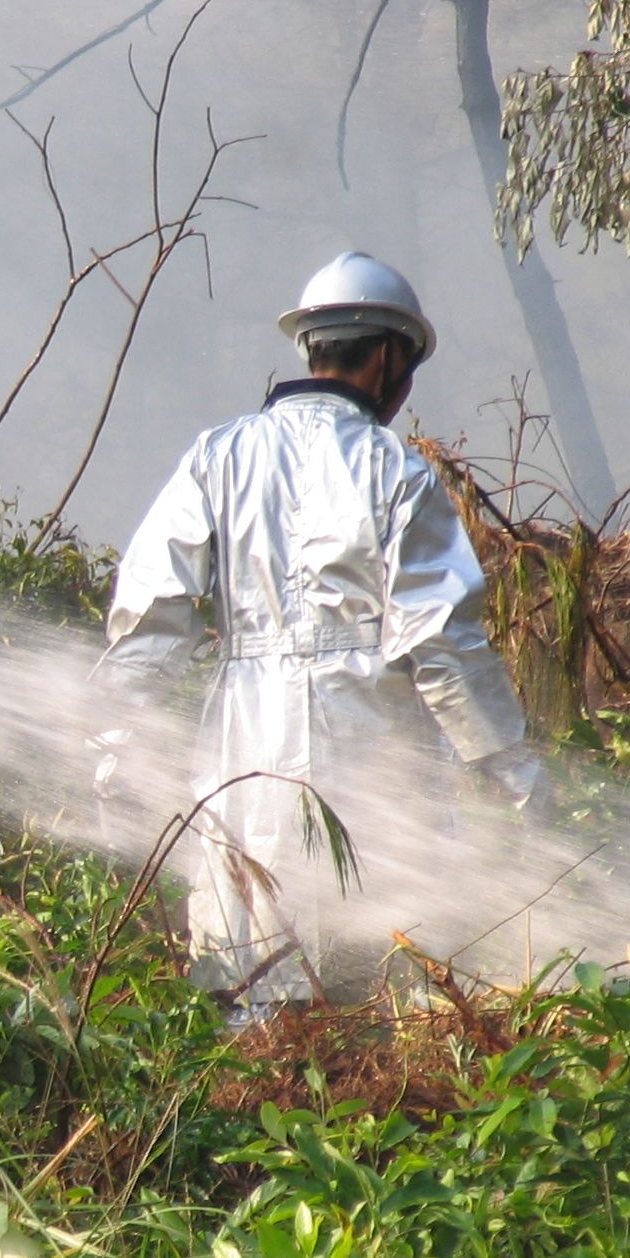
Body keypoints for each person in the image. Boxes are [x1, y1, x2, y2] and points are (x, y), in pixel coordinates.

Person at [98, 251, 542, 1018]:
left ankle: (252, 1073)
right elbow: (441, 642)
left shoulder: (218, 456)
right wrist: (510, 764)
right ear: (387, 358)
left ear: (311, 347)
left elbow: (152, 616)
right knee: (378, 961)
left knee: (245, 950)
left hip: (243, 736)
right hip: (368, 734)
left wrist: (110, 739)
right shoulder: (396, 470)